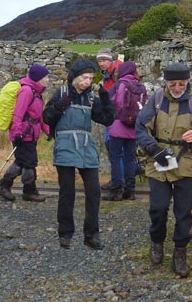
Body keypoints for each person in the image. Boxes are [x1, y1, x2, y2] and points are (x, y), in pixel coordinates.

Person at [136, 62, 192, 277]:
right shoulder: (157, 99)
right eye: (173, 83)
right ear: (166, 82)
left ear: (187, 82)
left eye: (181, 83)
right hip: (157, 163)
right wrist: (154, 150)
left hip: (185, 164)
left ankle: (180, 251)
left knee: (184, 212)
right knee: (158, 208)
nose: (177, 87)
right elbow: (141, 128)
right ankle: (157, 242)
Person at [43, 59, 115, 250]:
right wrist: (58, 107)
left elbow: (107, 120)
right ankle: (65, 233)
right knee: (67, 192)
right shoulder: (62, 93)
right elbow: (47, 118)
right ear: (75, 77)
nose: (88, 82)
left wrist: (107, 100)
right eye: (84, 77)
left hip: (86, 146)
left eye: (91, 78)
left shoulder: (91, 98)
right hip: (65, 145)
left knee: (94, 191)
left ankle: (91, 235)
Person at [0, 64, 51, 202]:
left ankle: (4, 186)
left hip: (30, 133)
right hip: (23, 134)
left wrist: (48, 131)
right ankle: (29, 191)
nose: (48, 79)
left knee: (22, 162)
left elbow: (39, 116)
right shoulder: (27, 91)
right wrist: (17, 133)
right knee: (30, 162)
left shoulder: (37, 93)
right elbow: (18, 114)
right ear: (38, 78)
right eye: (46, 77)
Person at [102, 61, 142, 201]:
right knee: (130, 159)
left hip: (118, 127)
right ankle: (130, 190)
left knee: (116, 157)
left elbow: (110, 104)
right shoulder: (140, 86)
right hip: (133, 129)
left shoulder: (118, 85)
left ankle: (116, 190)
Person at [96, 47, 123, 192]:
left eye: (104, 60)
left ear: (111, 60)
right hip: (111, 115)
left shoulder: (117, 73)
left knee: (115, 148)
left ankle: (119, 181)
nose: (101, 63)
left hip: (117, 116)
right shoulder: (107, 75)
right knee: (112, 147)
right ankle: (118, 179)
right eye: (99, 61)